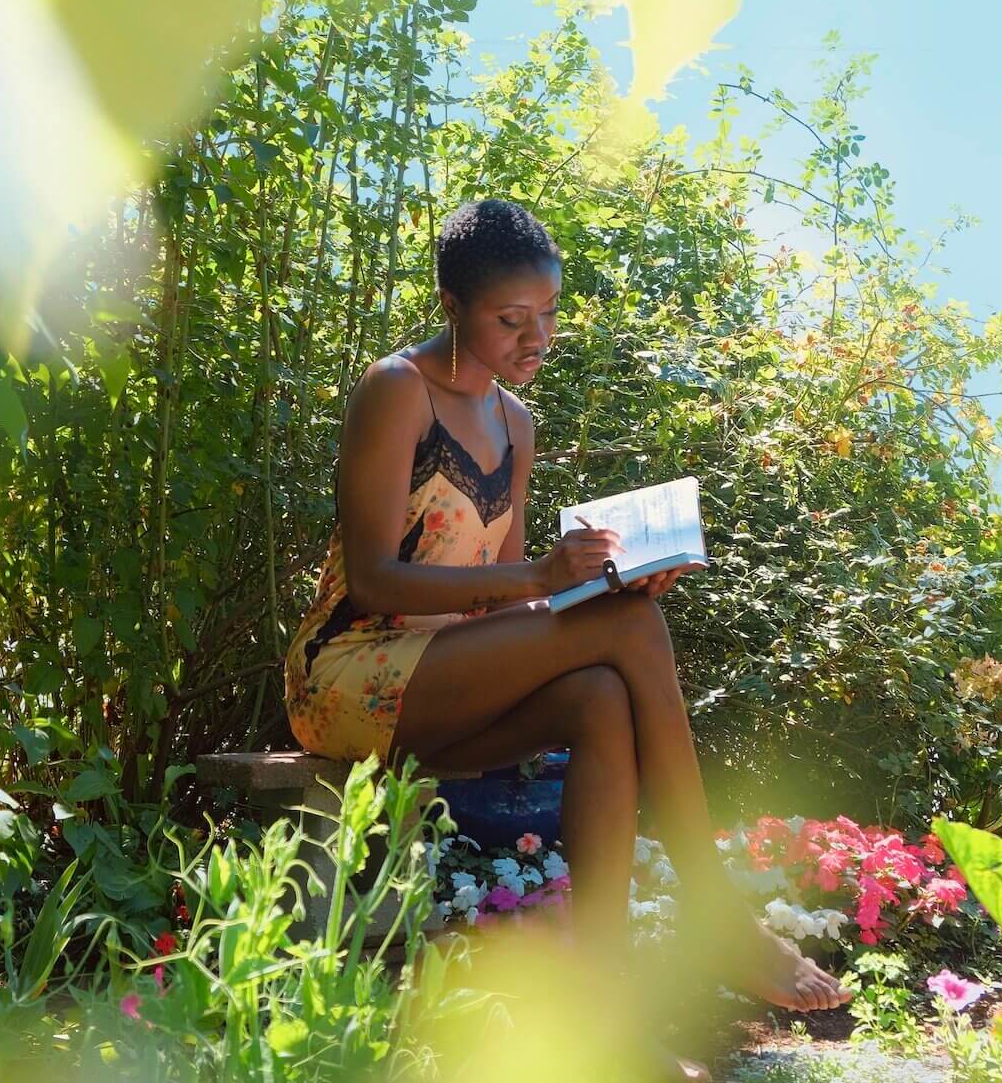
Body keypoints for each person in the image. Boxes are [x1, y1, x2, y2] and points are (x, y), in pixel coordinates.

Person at [284, 199, 849, 1064]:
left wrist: (608, 585)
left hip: (446, 682)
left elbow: (507, 613)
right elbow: (372, 579)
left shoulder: (517, 423)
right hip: (349, 676)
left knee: (597, 693)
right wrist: (550, 581)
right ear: (453, 309)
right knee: (626, 630)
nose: (535, 337)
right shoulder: (397, 391)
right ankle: (715, 917)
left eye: (547, 315)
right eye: (511, 320)